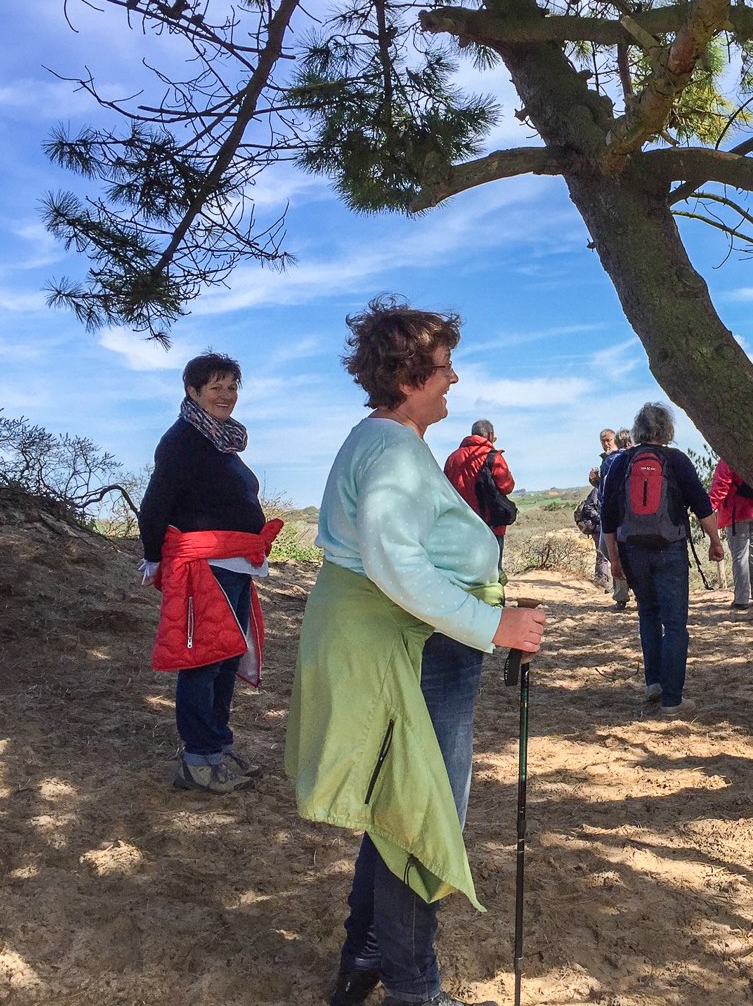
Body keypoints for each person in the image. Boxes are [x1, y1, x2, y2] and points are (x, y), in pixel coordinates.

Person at [285, 299, 547, 1006]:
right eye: (443, 367)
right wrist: (493, 628)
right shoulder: (394, 449)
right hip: (416, 648)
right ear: (407, 377)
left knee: (399, 807)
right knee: (419, 819)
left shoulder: (386, 441)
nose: (454, 379)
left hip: (411, 642)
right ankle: (413, 991)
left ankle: (367, 956)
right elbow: (395, 562)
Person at [138, 351, 281, 795]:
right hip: (204, 565)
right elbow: (156, 502)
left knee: (225, 659)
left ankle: (217, 748)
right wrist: (153, 555)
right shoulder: (183, 439)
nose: (226, 394)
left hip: (235, 564)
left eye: (232, 386)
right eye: (216, 386)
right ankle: (199, 759)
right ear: (192, 391)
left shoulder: (221, 440)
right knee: (203, 660)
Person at [601, 403, 724, 718]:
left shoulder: (621, 462)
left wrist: (614, 559)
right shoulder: (677, 461)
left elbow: (609, 516)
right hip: (670, 549)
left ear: (639, 430)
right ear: (666, 431)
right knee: (675, 623)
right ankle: (672, 699)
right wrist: (715, 541)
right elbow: (702, 505)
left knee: (648, 615)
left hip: (631, 550)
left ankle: (653, 683)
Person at [443, 418, 515, 562]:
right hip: (490, 524)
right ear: (489, 435)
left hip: (461, 524)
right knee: (493, 572)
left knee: (464, 570)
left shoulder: (452, 458)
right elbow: (507, 486)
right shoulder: (493, 456)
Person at [708, 460, 753, 609]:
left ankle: (741, 598)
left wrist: (707, 508)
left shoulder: (728, 458)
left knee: (740, 554)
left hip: (736, 512)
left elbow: (721, 485)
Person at [597, 428, 633, 611]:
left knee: (611, 551)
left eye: (609, 440)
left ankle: (621, 595)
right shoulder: (634, 458)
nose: (606, 443)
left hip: (613, 515)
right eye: (603, 440)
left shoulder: (611, 461)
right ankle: (632, 592)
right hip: (632, 516)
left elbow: (605, 492)